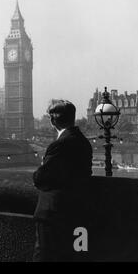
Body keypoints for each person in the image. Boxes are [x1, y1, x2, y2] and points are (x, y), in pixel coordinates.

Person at [32, 100, 93, 262]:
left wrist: (41, 168)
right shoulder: (84, 143)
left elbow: (41, 178)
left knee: (44, 256)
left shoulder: (59, 144)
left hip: (52, 213)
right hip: (77, 211)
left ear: (53, 121)